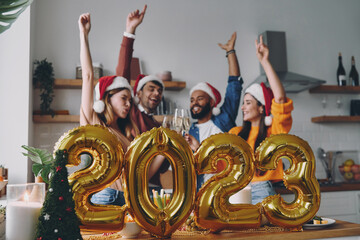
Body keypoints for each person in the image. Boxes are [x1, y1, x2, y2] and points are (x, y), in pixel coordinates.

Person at [228, 35, 294, 204]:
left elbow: (279, 100)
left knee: (265, 231)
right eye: (243, 103)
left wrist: (265, 61)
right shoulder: (235, 134)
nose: (243, 107)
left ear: (261, 107)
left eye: (248, 103)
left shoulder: (274, 133)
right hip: (236, 191)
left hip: (262, 190)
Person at [115, 5, 170, 190]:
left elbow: (163, 167)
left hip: (154, 188)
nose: (156, 93)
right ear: (137, 93)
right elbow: (122, 76)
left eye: (159, 91)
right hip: (129, 186)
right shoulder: (129, 112)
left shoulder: (157, 126)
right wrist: (130, 31)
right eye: (151, 89)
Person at [185, 32, 243, 191]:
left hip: (228, 190)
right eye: (191, 100)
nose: (194, 103)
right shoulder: (189, 132)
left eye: (200, 98)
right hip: (200, 193)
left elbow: (234, 86)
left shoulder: (224, 119)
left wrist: (230, 52)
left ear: (211, 102)